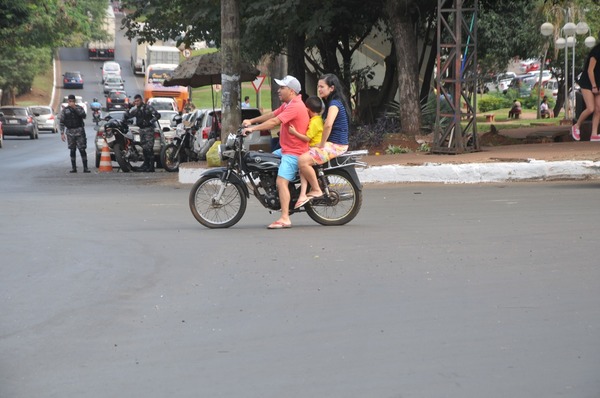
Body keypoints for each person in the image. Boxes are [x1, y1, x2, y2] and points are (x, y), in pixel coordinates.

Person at [241, 75, 309, 229]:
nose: (279, 91)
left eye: (282, 88)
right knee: (264, 160)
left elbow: (274, 122)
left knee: (281, 182)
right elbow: (272, 114)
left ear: (291, 91)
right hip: (285, 149)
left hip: (294, 152)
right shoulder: (288, 104)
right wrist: (251, 121)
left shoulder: (295, 106)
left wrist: (252, 129)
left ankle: (285, 218)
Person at [296, 73, 351, 204]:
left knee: (303, 161)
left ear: (331, 88)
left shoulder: (334, 103)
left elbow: (328, 125)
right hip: (334, 143)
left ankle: (316, 189)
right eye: (318, 86)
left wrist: (321, 144)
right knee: (304, 156)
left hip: (337, 145)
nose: (319, 89)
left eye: (322, 87)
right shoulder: (331, 102)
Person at [289, 96, 324, 209]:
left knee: (302, 164)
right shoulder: (317, 119)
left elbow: (307, 138)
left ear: (308, 109)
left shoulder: (315, 122)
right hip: (312, 148)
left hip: (314, 149)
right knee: (302, 169)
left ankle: (315, 189)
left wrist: (294, 132)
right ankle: (303, 194)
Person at [124, 94, 161, 172]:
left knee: (149, 148)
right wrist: (129, 108)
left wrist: (150, 122)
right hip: (141, 129)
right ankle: (146, 164)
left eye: (138, 101)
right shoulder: (136, 110)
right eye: (135, 101)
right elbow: (127, 116)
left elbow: (157, 115)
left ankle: (151, 167)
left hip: (149, 129)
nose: (137, 103)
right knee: (144, 148)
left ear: (141, 100)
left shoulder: (148, 107)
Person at [572, 40, 600, 141]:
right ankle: (577, 126)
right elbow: (590, 70)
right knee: (591, 108)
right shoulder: (596, 51)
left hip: (598, 84)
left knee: (598, 109)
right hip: (588, 83)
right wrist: (593, 86)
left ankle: (594, 134)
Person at [60, 94, 89, 173]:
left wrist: (75, 108)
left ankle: (85, 167)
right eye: (69, 101)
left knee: (82, 149)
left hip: (79, 131)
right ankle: (74, 168)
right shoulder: (65, 110)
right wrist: (62, 133)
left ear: (74, 101)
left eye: (72, 101)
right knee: (72, 150)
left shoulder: (79, 108)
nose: (71, 102)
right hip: (70, 132)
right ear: (68, 101)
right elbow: (62, 122)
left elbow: (83, 115)